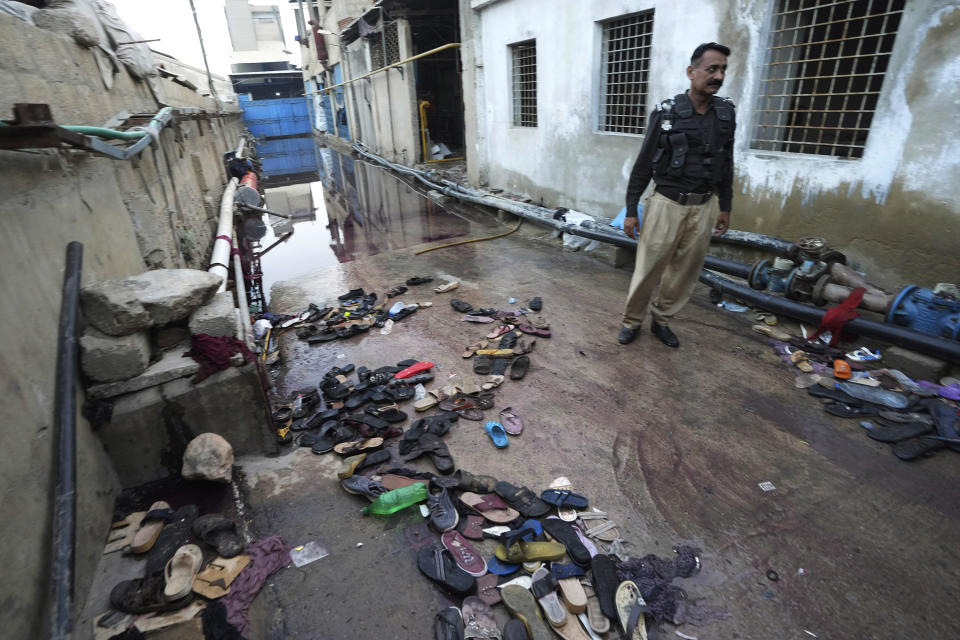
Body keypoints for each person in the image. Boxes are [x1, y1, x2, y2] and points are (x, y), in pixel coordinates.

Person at [618, 42, 735, 348]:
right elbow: (643, 163)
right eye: (712, 69)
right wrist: (632, 208)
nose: (719, 76)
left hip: (704, 206)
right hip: (666, 204)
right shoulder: (667, 112)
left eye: (723, 69)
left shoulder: (725, 113)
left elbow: (727, 161)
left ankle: (662, 320)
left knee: (685, 272)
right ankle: (632, 322)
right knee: (648, 269)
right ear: (691, 71)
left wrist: (725, 204)